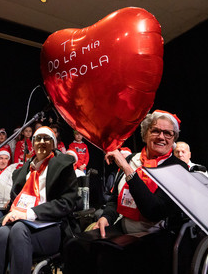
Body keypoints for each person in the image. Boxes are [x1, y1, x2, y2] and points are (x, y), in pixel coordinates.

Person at [63, 110, 190, 274]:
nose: (161, 137)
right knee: (74, 245)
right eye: (156, 131)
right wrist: (106, 217)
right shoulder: (132, 159)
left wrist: (127, 169)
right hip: (123, 228)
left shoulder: (177, 168)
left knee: (109, 258)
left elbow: (154, 211)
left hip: (154, 236)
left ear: (173, 139)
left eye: (168, 133)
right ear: (145, 134)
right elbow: (115, 200)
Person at [0, 126, 78, 274]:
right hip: (22, 224)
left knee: (18, 229)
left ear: (53, 144)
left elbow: (66, 204)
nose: (41, 142)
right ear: (32, 144)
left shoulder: (63, 166)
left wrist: (29, 213)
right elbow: (16, 198)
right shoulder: (23, 171)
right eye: (37, 139)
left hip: (51, 226)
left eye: (46, 139)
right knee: (1, 233)